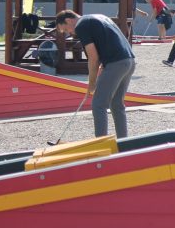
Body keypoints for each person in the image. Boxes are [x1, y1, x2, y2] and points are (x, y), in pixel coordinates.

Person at [55, 10, 136, 138]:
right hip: (129, 61)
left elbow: (93, 58)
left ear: (69, 20)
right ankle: (123, 141)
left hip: (116, 63)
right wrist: (103, 65)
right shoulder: (100, 16)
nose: (69, 33)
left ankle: (101, 142)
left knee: (99, 104)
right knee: (116, 104)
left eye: (66, 30)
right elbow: (108, 42)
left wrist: (91, 84)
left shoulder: (81, 25)